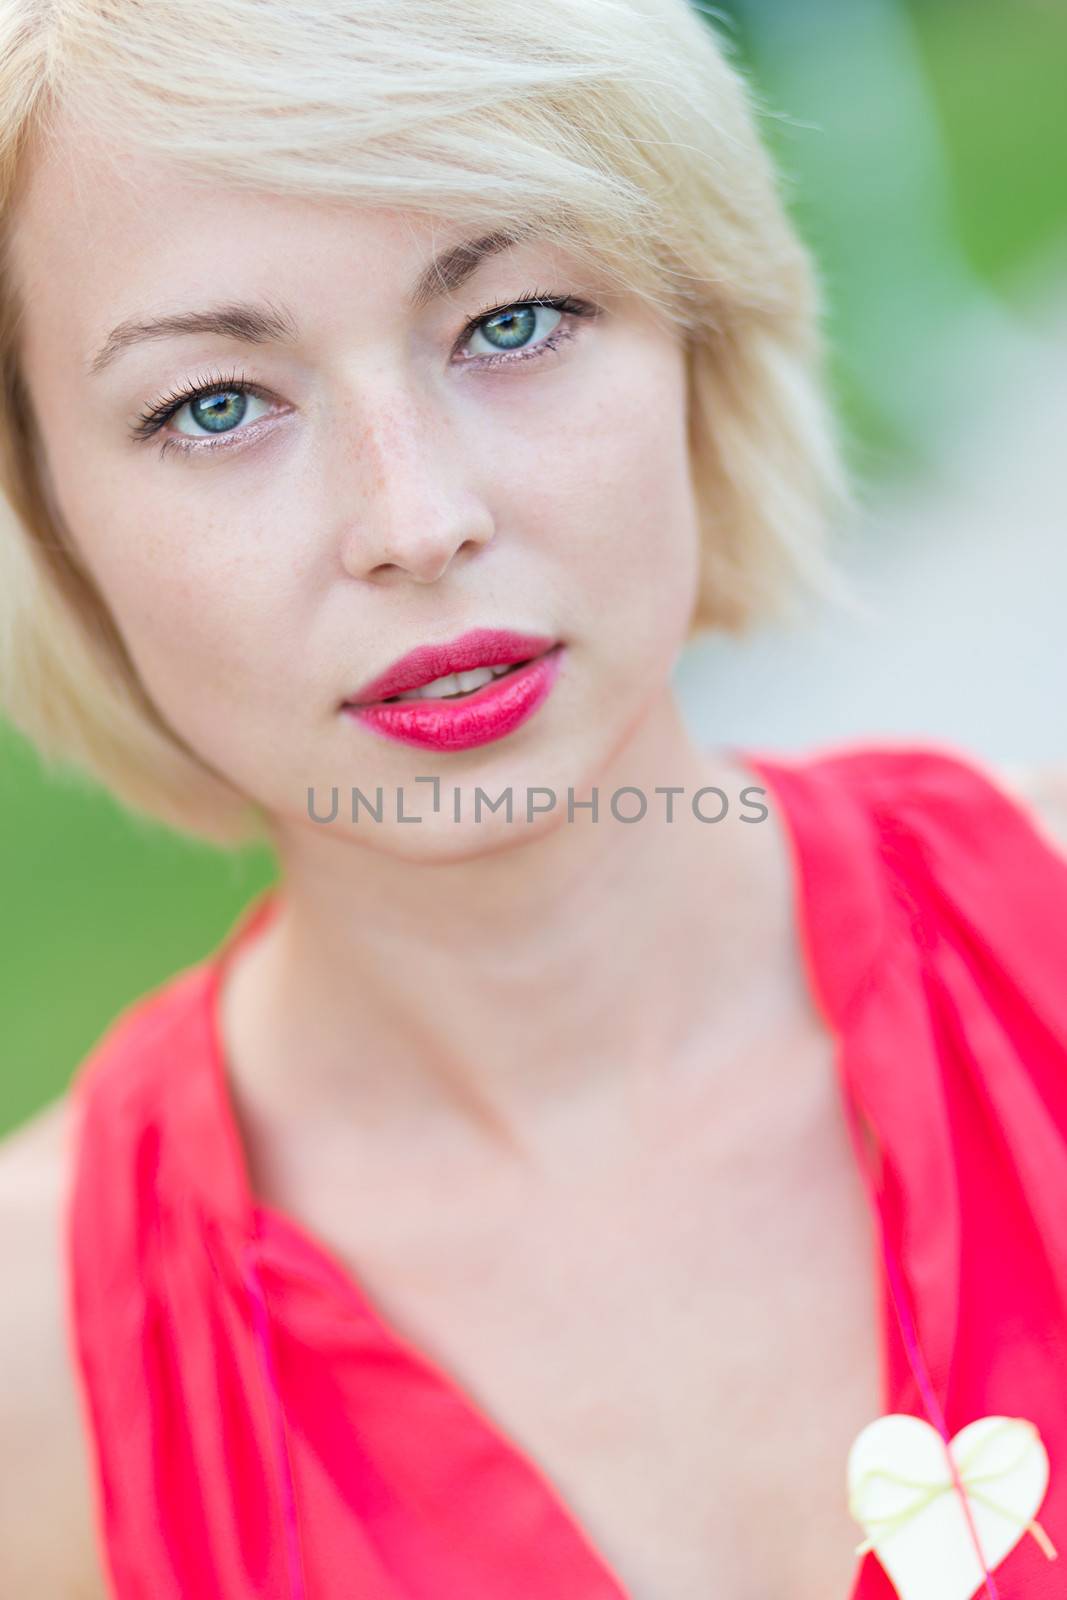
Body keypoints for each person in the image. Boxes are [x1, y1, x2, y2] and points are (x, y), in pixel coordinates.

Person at [0, 1, 1064, 1596]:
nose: (417, 519)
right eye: (215, 403)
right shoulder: (36, 1357)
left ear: (700, 339)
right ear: (50, 518)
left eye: (514, 321)